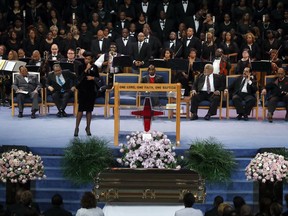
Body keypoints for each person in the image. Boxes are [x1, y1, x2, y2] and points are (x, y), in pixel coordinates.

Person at [74, 52, 99, 137]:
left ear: (91, 59)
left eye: (88, 59)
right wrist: (85, 70)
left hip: (91, 91)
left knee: (89, 110)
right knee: (80, 110)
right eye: (85, 59)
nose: (86, 60)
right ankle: (76, 128)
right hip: (82, 90)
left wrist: (93, 78)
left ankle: (88, 128)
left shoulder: (95, 67)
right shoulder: (80, 67)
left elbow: (98, 78)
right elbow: (79, 78)